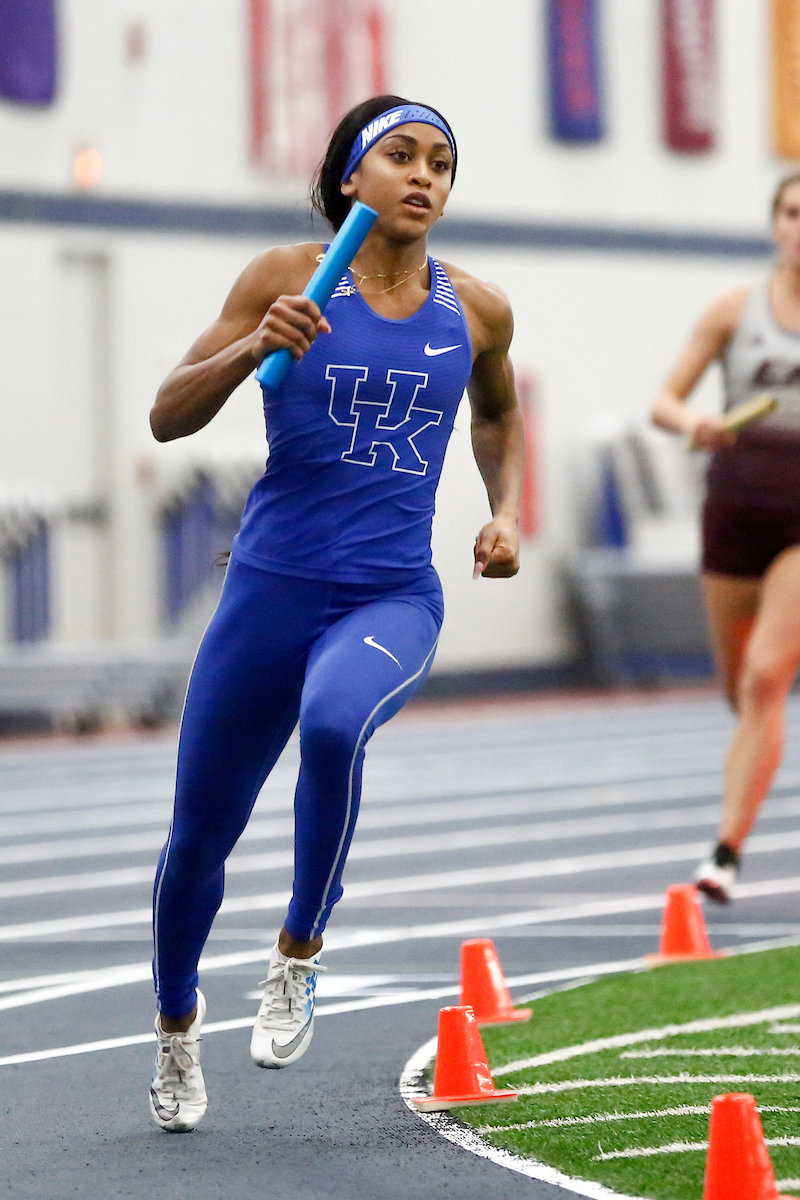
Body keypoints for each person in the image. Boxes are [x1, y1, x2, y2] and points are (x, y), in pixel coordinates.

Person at [146, 95, 524, 1131]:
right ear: (347, 178)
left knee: (332, 721)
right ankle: (176, 1033)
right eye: (399, 155)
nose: (423, 176)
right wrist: (249, 347)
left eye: (440, 163)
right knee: (196, 844)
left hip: (390, 592)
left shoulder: (477, 308)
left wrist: (503, 513)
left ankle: (299, 950)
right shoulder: (283, 278)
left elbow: (496, 410)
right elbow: (166, 416)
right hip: (267, 591)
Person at [652, 172, 800, 905]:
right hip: (736, 509)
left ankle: (725, 854)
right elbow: (665, 402)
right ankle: (752, 775)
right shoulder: (732, 313)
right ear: (776, 224)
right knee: (738, 689)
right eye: (794, 213)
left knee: (768, 677)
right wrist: (695, 426)